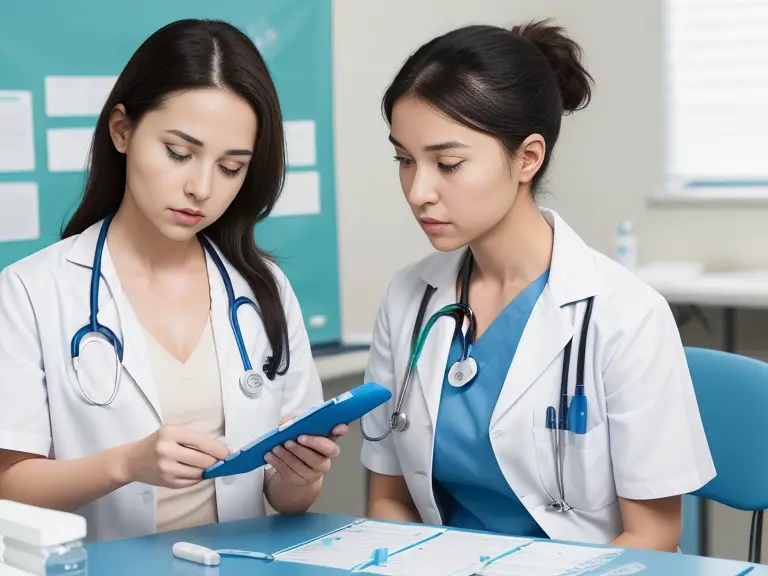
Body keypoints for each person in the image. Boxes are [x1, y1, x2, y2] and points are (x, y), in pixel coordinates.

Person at [359, 20, 715, 551]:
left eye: (447, 163)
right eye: (404, 160)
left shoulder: (626, 315)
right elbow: (390, 500)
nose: (417, 191)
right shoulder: (410, 298)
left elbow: (653, 534)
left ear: (528, 157)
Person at [0, 19, 346, 542]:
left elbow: (285, 495)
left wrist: (301, 477)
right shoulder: (30, 292)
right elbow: (10, 486)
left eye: (231, 168)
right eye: (179, 153)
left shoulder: (263, 288)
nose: (200, 188)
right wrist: (127, 463)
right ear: (122, 130)